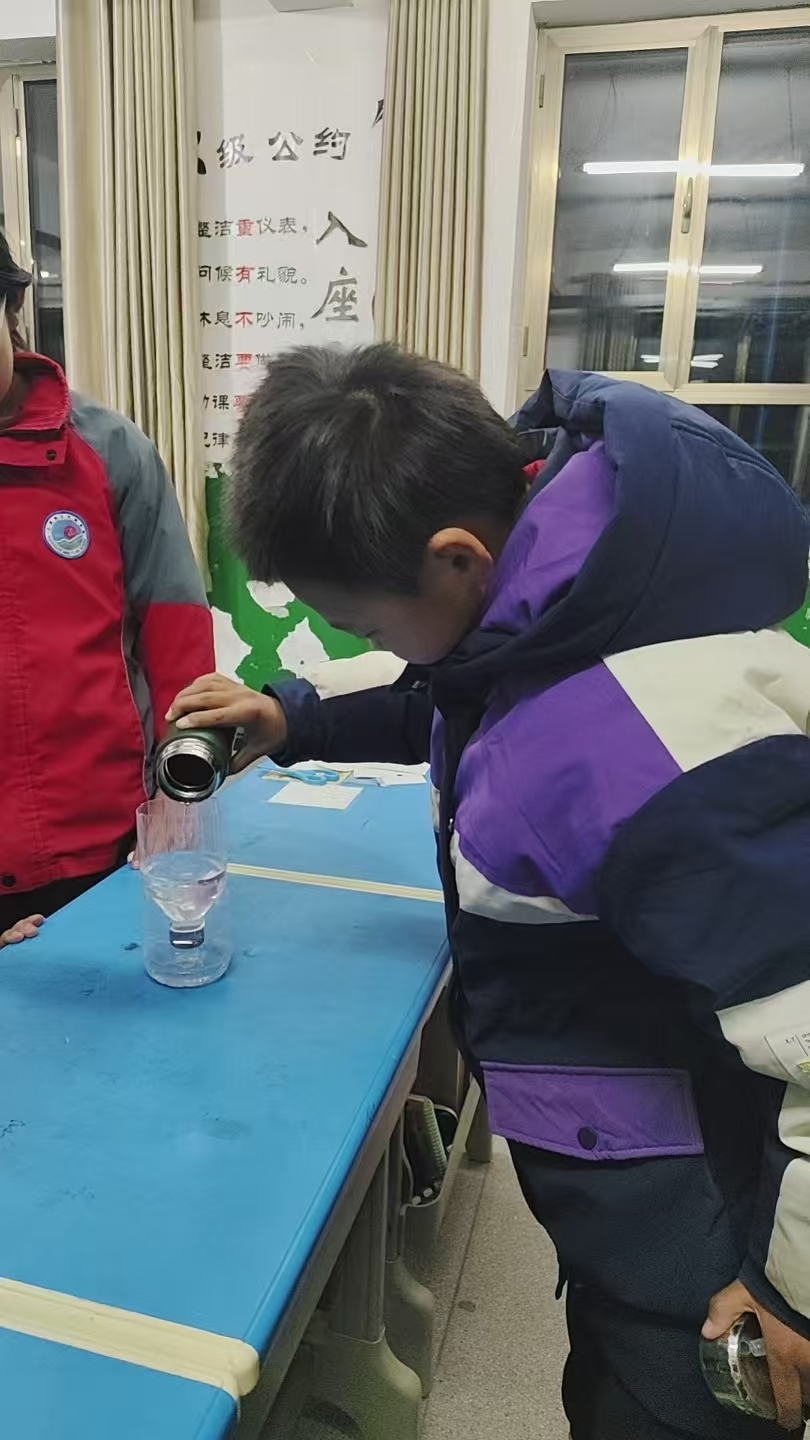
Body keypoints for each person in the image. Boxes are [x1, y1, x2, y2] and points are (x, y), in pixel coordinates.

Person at [169, 344, 810, 1439]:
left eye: (369, 628)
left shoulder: (646, 749)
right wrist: (296, 717)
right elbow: (456, 688)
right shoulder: (568, 597)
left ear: (458, 558)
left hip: (709, 1231)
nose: (375, 648)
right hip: (628, 1168)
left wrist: (788, 1289)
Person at [0, 232, 215, 939]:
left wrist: (180, 799)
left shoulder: (109, 450)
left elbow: (178, 638)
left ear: (11, 308)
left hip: (109, 842)